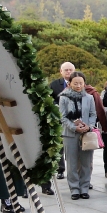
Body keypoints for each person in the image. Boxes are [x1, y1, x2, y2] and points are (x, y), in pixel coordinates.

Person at [59, 72, 97, 200]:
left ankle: (84, 187)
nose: (78, 85)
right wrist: (74, 127)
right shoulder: (64, 97)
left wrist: (89, 126)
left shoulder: (89, 98)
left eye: (81, 83)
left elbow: (93, 114)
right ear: (69, 84)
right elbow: (62, 117)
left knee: (86, 162)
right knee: (72, 163)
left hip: (86, 134)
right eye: (75, 83)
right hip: (70, 134)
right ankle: (74, 188)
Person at [41, 61, 75, 193]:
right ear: (61, 72)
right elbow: (50, 100)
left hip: (74, 121)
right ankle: (60, 169)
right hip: (59, 121)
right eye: (66, 70)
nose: (68, 72)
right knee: (59, 146)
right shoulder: (55, 85)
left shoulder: (79, 82)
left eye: (70, 69)